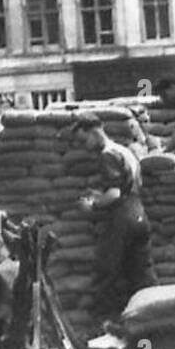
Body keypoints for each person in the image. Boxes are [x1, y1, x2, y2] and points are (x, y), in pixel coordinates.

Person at [70, 112, 158, 331]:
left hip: (122, 217)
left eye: (84, 140)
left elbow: (114, 193)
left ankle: (102, 325)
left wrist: (92, 203)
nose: (85, 147)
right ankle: (154, 320)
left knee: (106, 271)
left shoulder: (107, 155)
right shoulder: (124, 150)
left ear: (95, 131)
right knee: (141, 273)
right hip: (139, 213)